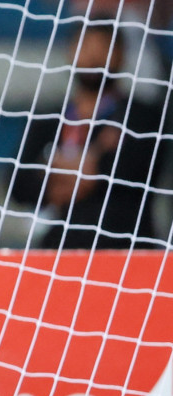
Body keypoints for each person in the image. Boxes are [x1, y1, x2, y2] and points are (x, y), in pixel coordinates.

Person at [9, 18, 171, 250]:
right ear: (70, 52)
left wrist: (56, 170)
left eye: (102, 48)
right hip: (60, 251)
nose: (93, 58)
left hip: (127, 249)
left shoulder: (141, 116)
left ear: (120, 54)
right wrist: (86, 168)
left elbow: (130, 175)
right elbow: (16, 182)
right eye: (85, 47)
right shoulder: (49, 119)